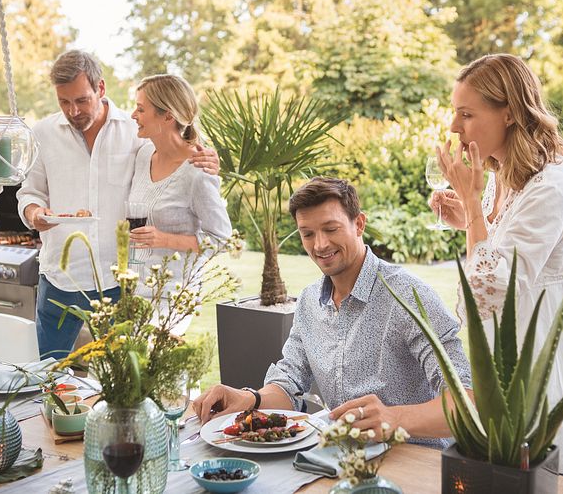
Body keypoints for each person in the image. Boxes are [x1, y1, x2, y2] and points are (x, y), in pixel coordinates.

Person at [194, 177, 472, 448]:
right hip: (342, 462)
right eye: (308, 234)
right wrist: (250, 398)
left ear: (359, 224)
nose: (320, 245)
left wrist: (393, 418)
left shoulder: (409, 297)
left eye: (331, 229)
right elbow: (289, 384)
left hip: (415, 463)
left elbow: (467, 401)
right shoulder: (308, 301)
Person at [429, 53, 563, 477]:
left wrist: (471, 202)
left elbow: (486, 289)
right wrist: (470, 217)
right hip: (516, 334)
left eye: (467, 114)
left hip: (546, 342)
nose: (455, 127)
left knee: (538, 470)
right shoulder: (506, 171)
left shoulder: (552, 183)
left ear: (508, 112)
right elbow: (501, 244)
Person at [17, 50, 220, 358]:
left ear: (100, 88)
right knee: (46, 372)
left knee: (120, 385)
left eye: (81, 100)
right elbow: (29, 191)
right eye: (64, 102)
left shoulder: (135, 132)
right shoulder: (43, 133)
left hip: (118, 283)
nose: (73, 111)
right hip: (59, 276)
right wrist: (34, 212)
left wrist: (207, 160)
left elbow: (174, 154)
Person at [128, 74, 232, 334]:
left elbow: (221, 239)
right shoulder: (143, 155)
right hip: (135, 290)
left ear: (167, 116)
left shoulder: (197, 171)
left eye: (141, 109)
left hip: (173, 296)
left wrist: (164, 239)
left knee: (152, 371)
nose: (133, 115)